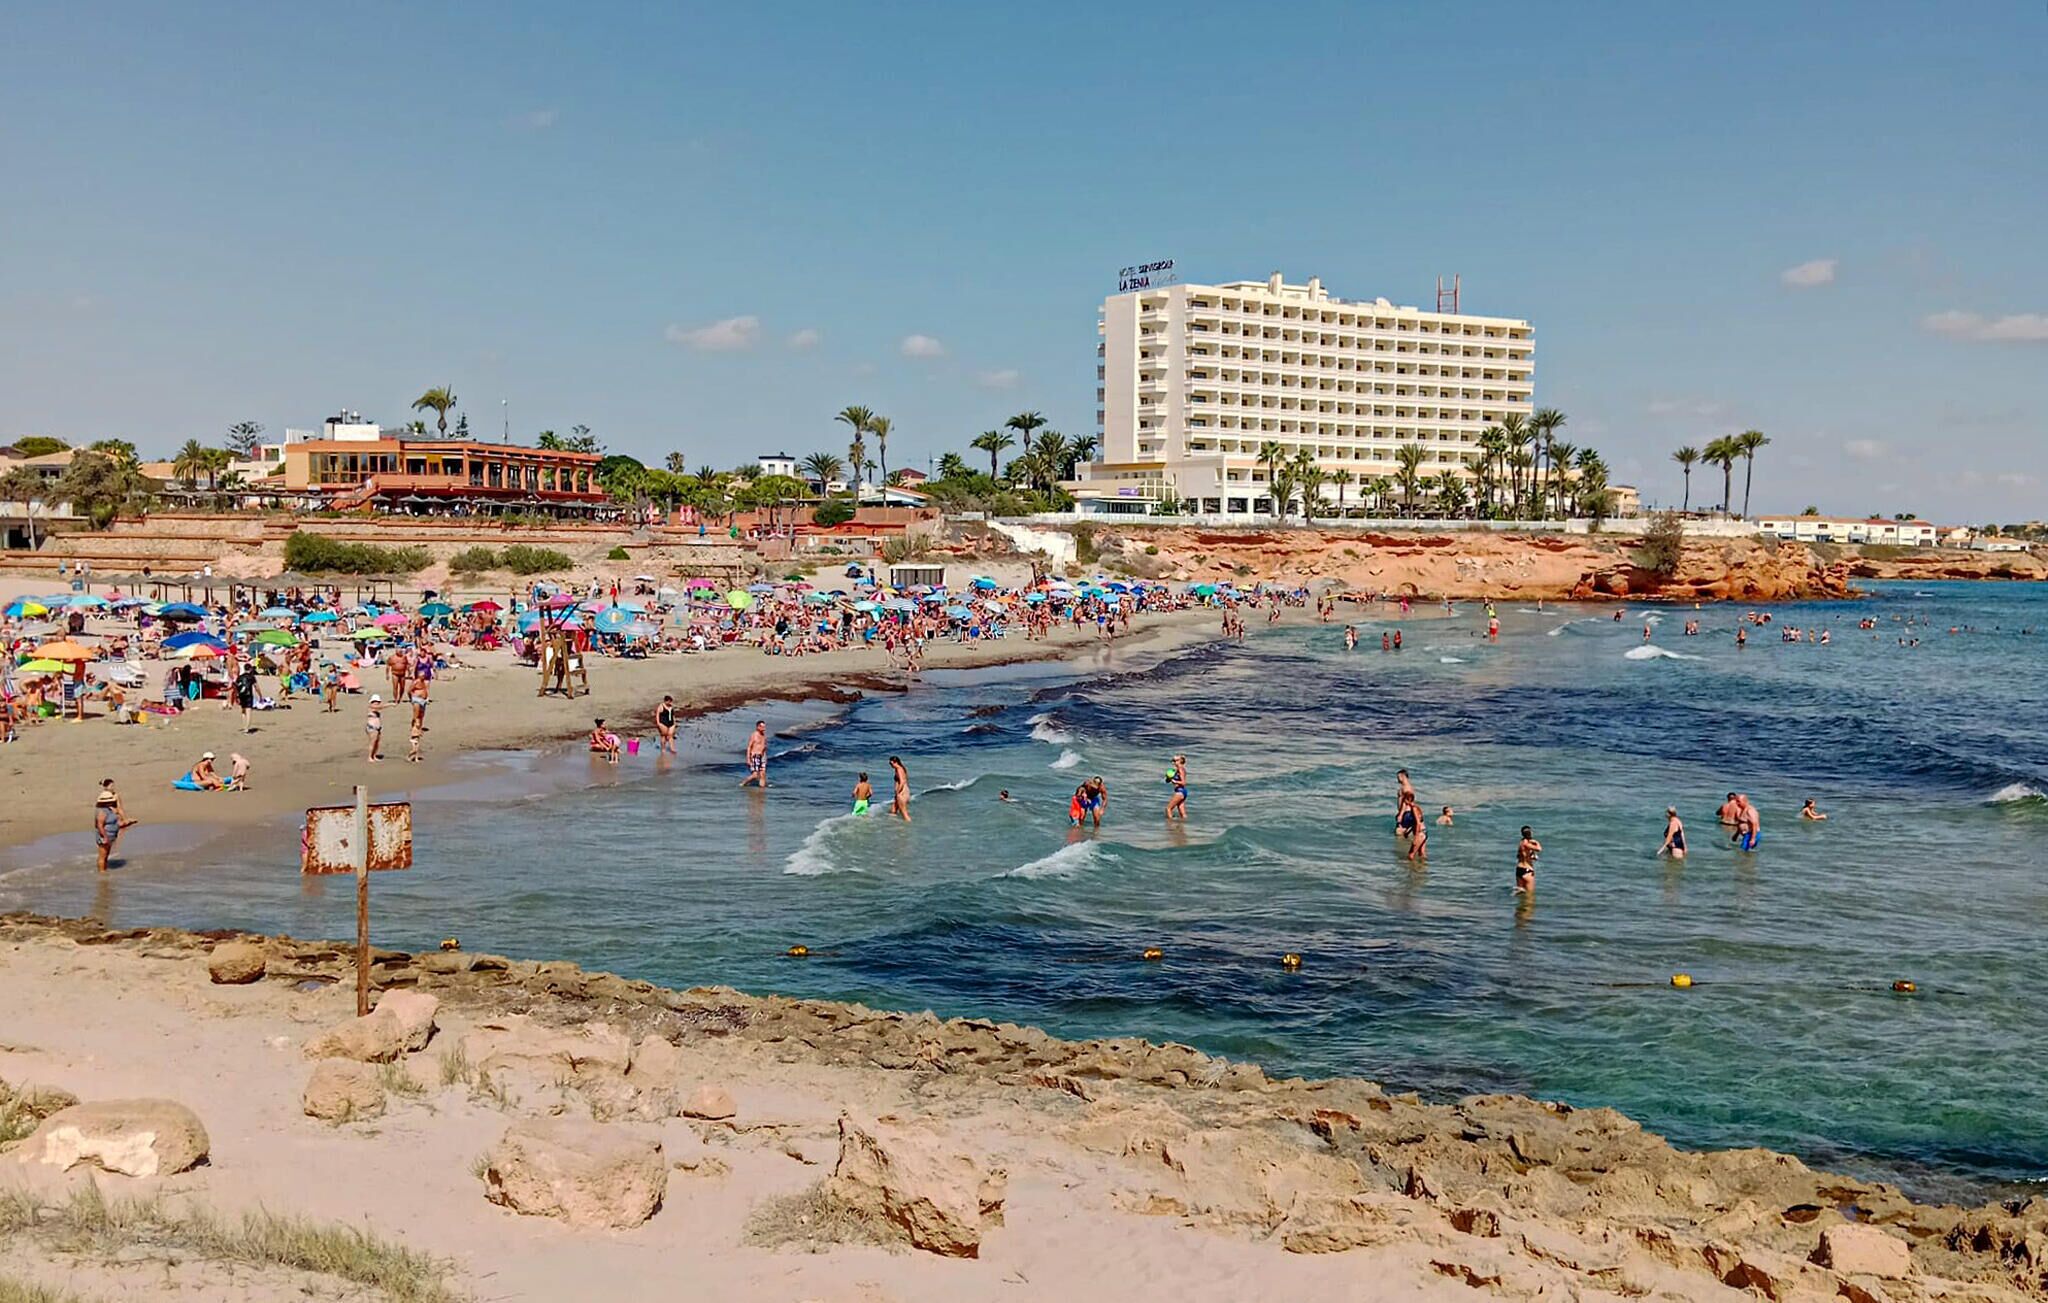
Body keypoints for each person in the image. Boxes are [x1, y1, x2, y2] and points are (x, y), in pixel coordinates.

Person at [93, 779, 132, 873]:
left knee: (106, 855)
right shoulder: (102, 811)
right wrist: (105, 837)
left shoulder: (109, 810)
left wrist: (127, 822)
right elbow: (99, 825)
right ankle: (102, 874)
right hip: (105, 836)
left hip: (110, 835)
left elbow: (115, 822)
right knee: (102, 856)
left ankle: (104, 872)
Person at [741, 720, 768, 788]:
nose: (764, 728)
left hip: (762, 756)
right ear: (758, 727)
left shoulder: (764, 735)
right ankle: (743, 784)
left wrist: (765, 757)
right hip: (755, 756)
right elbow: (749, 747)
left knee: (763, 774)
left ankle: (762, 790)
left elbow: (764, 747)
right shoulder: (754, 735)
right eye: (762, 727)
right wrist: (748, 759)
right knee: (755, 775)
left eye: (764, 727)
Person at [1515, 826, 1541, 892]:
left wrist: (1532, 856)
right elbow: (1539, 849)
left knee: (1521, 893)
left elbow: (1521, 856)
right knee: (1530, 896)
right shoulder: (1526, 843)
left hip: (1519, 869)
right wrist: (1536, 842)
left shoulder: (1521, 842)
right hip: (1527, 870)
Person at [233, 662, 257, 732]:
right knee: (248, 712)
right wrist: (260, 695)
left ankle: (244, 726)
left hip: (241, 695)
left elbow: (236, 687)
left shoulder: (240, 677)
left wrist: (236, 697)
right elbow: (256, 686)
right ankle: (247, 728)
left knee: (243, 711)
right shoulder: (251, 677)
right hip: (249, 695)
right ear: (250, 669)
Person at [1165, 754, 1188, 820]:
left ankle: (1170, 825)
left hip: (1180, 791)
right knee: (1182, 814)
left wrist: (1175, 782)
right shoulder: (1176, 770)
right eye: (1173, 761)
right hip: (1182, 791)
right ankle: (1183, 827)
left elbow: (1183, 783)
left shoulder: (1181, 769)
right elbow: (1168, 781)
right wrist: (1168, 778)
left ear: (1181, 761)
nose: (1173, 762)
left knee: (1168, 809)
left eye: (1175, 761)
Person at [888, 755, 911, 822]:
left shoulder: (899, 769)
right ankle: (894, 826)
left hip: (901, 792)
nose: (891, 765)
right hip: (902, 791)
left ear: (896, 762)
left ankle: (907, 827)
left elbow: (902, 782)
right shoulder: (899, 769)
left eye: (891, 763)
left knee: (904, 813)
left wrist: (898, 792)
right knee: (893, 811)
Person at [365, 694, 384, 762]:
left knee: (377, 742)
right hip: (372, 727)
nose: (377, 702)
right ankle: (370, 757)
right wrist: (390, 704)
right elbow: (380, 707)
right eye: (376, 701)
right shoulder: (371, 706)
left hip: (377, 727)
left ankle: (374, 755)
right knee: (372, 742)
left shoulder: (376, 707)